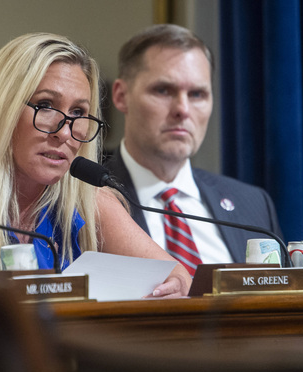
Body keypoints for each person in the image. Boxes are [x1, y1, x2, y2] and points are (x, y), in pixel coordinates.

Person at [0, 32, 191, 296]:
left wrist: (170, 288)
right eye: (46, 106)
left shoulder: (88, 200)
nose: (64, 132)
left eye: (78, 112)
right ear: (3, 109)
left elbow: (177, 276)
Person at [103, 24, 283, 275]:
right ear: (122, 96)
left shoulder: (252, 203)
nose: (183, 109)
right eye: (163, 90)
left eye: (197, 94)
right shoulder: (87, 197)